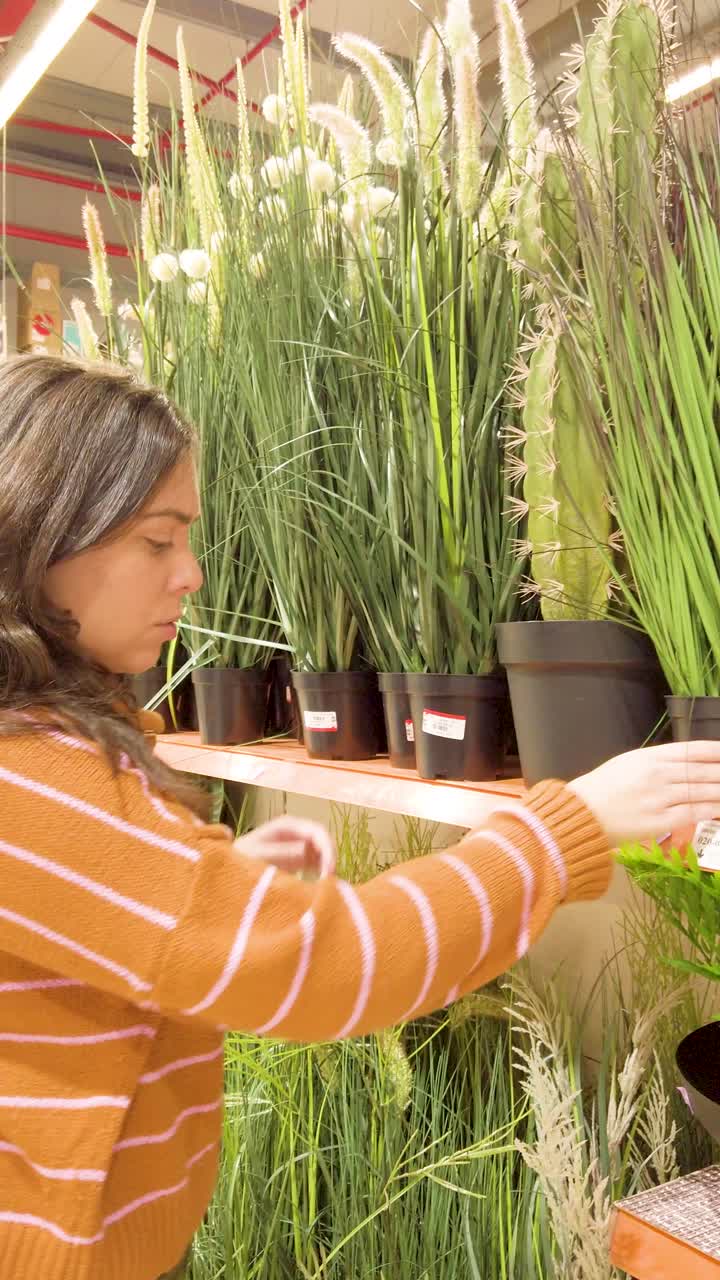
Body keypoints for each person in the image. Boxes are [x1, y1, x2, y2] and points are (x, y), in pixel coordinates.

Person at [1, 355, 718, 1280]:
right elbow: (324, 968)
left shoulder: (46, 746)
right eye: (156, 539)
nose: (193, 573)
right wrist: (562, 826)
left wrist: (209, 879)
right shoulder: (33, 776)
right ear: (40, 528)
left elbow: (106, 929)